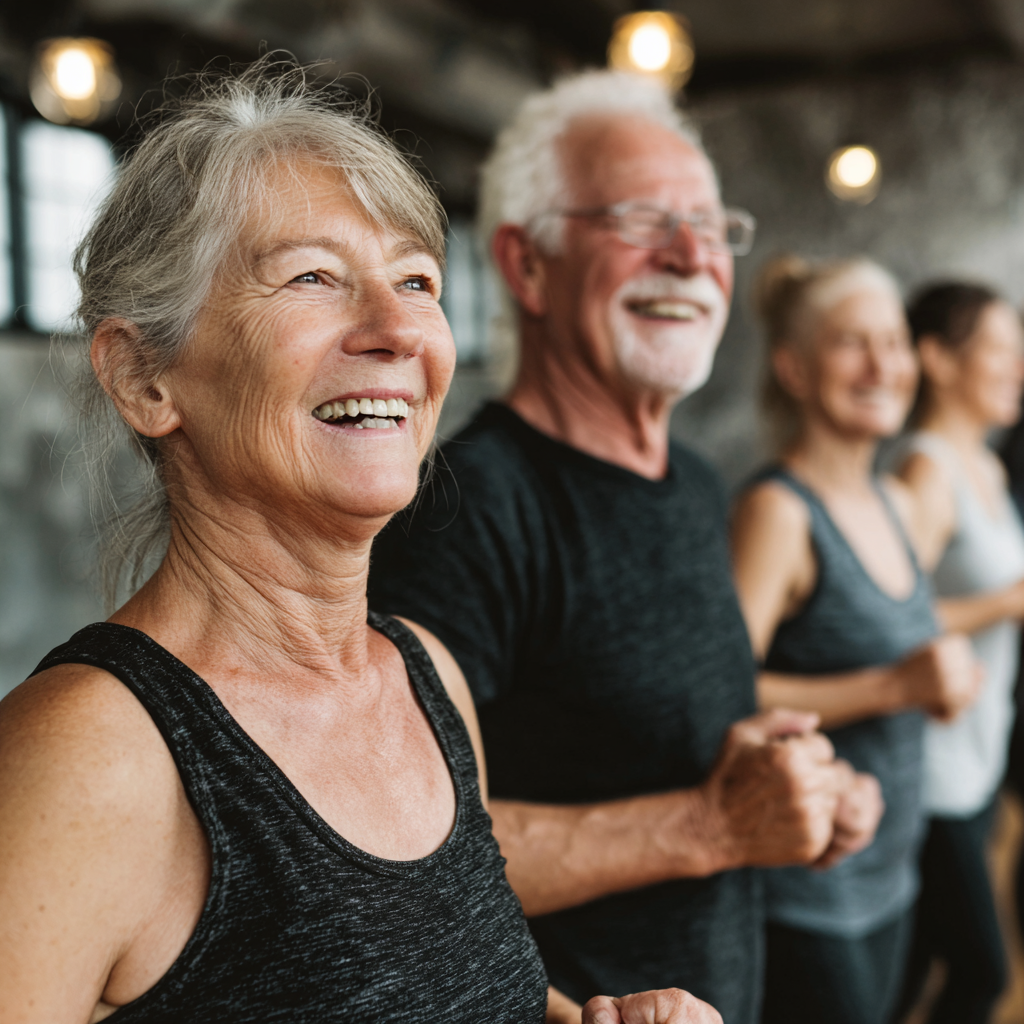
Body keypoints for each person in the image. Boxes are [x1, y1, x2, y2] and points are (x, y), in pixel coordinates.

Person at [0, 60, 722, 1024]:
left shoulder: (425, 679)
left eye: (416, 281)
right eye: (312, 277)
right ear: (144, 380)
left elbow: (429, 977)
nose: (397, 330)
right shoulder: (92, 757)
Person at [368, 70, 881, 1023]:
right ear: (525, 266)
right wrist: (715, 825)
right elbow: (394, 854)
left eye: (715, 227)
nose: (693, 256)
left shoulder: (690, 481)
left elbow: (655, 746)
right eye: (643, 223)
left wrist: (799, 791)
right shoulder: (468, 505)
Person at [730, 256, 982, 1024]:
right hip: (808, 887)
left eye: (896, 342)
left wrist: (947, 673)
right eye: (852, 343)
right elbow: (723, 691)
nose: (884, 365)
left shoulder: (900, 505)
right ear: (794, 369)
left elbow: (912, 647)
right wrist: (895, 687)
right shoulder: (779, 510)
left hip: (892, 869)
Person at [892, 282, 1024, 1023]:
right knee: (982, 974)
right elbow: (884, 619)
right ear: (938, 359)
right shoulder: (926, 470)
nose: (1019, 367)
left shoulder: (990, 467)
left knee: (908, 973)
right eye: (1001, 350)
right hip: (933, 767)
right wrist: (1007, 601)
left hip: (979, 754)